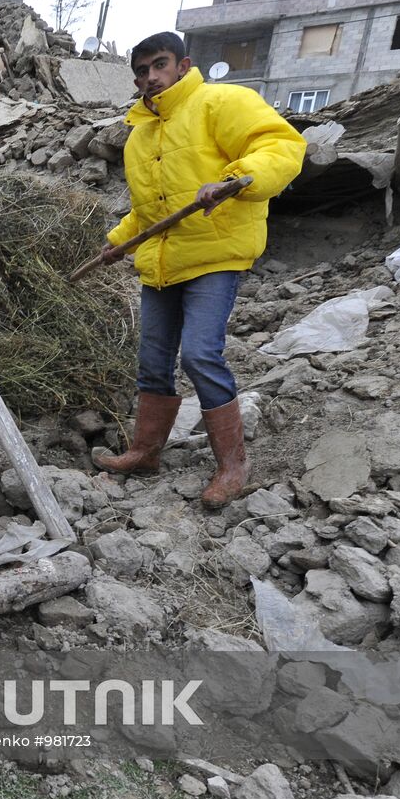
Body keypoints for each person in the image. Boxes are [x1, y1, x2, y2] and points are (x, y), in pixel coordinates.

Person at [94, 32, 306, 508]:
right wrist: (115, 243)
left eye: (160, 65)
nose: (151, 77)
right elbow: (149, 211)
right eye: (143, 71)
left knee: (200, 355)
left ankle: (233, 465)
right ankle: (146, 451)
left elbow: (279, 145)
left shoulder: (221, 101)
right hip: (162, 263)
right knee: (152, 361)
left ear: (184, 64)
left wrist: (234, 181)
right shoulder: (140, 136)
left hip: (214, 255)